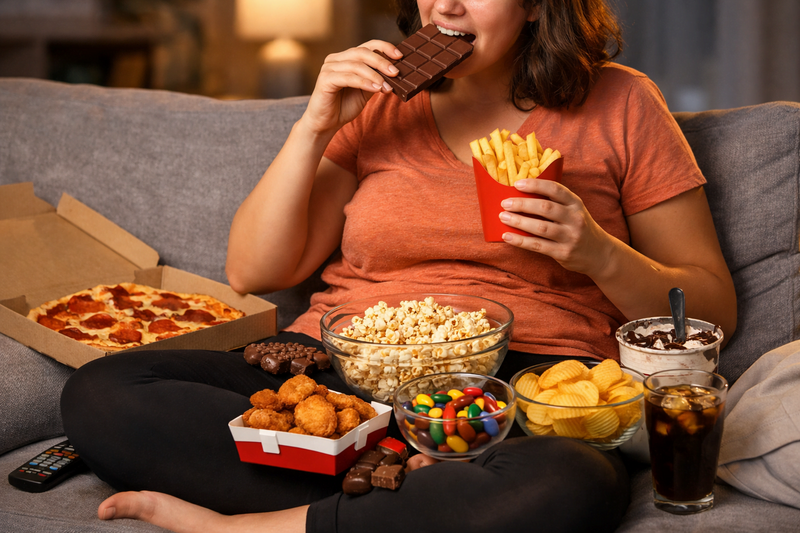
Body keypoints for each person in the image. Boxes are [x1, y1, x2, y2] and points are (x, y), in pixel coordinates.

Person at [60, 0, 737, 531]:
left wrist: (596, 252)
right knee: (103, 393)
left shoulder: (621, 103)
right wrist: (315, 124)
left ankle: (267, 525)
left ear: (536, 3)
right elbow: (253, 268)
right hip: (338, 371)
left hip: (508, 393)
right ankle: (406, 496)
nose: (443, 7)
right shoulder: (381, 102)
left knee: (574, 483)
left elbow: (711, 309)